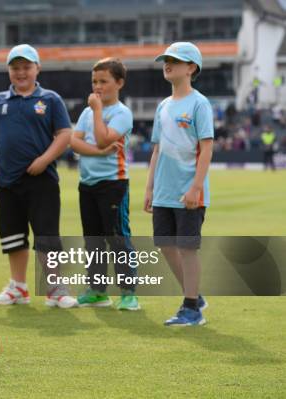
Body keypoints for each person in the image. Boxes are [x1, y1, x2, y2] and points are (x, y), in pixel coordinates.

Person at [0, 44, 77, 308]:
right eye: (15, 68)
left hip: (42, 181)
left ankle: (55, 288)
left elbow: (65, 134)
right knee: (13, 237)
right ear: (9, 71)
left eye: (26, 67)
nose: (21, 73)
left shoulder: (50, 99)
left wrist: (44, 160)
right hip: (7, 181)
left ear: (37, 68)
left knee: (47, 236)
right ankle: (18, 287)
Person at [144, 42, 214, 326]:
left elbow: (206, 148)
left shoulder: (199, 103)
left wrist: (196, 187)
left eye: (175, 60)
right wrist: (149, 188)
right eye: (166, 60)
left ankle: (191, 308)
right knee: (164, 244)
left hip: (189, 193)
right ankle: (194, 294)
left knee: (187, 248)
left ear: (191, 68)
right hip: (163, 192)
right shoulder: (163, 106)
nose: (168, 64)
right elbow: (157, 150)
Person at [70, 58, 139, 310]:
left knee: (117, 237)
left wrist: (98, 110)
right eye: (94, 82)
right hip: (87, 184)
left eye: (103, 81)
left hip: (113, 184)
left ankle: (128, 292)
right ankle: (98, 290)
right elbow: (74, 142)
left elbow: (101, 139)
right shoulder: (87, 112)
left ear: (119, 83)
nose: (97, 87)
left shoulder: (121, 113)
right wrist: (98, 153)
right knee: (93, 240)